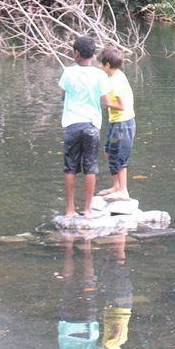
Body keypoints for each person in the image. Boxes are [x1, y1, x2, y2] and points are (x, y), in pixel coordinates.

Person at [58, 35, 113, 217]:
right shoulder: (100, 75)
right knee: (91, 167)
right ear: (92, 54)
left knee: (70, 168)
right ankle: (88, 209)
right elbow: (105, 101)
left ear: (76, 54)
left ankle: (70, 210)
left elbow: (63, 95)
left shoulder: (68, 72)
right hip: (92, 125)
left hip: (73, 125)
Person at [97, 46, 136, 202]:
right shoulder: (113, 76)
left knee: (119, 156)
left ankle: (123, 191)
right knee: (108, 151)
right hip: (116, 122)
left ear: (107, 65)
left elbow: (121, 106)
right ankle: (116, 186)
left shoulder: (116, 81)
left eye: (101, 64)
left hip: (123, 123)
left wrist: (106, 102)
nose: (100, 67)